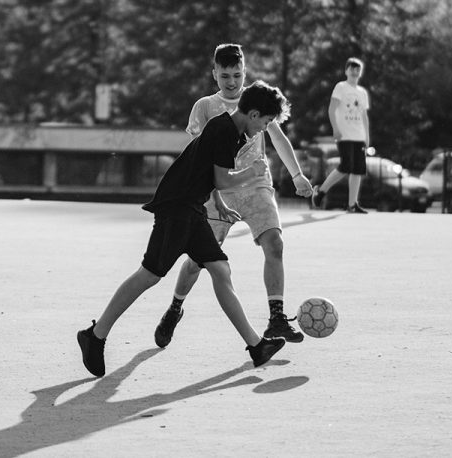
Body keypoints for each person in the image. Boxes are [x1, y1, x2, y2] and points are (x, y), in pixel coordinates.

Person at [76, 81, 290, 377]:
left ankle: (256, 346)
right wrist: (251, 173)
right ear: (253, 114)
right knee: (149, 274)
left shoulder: (232, 132)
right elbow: (225, 179)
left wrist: (219, 203)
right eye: (266, 122)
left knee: (220, 268)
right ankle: (95, 335)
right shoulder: (224, 130)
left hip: (193, 208)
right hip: (177, 207)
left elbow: (208, 172)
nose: (265, 128)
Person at [153, 44, 313, 348]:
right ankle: (175, 308)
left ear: (245, 72)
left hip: (255, 186)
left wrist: (297, 175)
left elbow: (278, 138)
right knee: (197, 262)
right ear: (214, 73)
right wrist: (215, 199)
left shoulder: (255, 101)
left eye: (237, 74)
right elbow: (199, 158)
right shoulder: (204, 107)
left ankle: (276, 318)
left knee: (275, 244)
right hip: (217, 190)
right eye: (225, 75)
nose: (231, 81)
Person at [311, 57, 371, 214]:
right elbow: (331, 109)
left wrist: (367, 135)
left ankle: (352, 204)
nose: (354, 71)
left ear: (361, 72)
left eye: (357, 69)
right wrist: (335, 128)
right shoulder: (341, 87)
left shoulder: (362, 92)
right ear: (346, 71)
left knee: (358, 170)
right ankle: (321, 191)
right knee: (346, 166)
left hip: (359, 135)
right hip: (345, 134)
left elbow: (364, 115)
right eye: (351, 68)